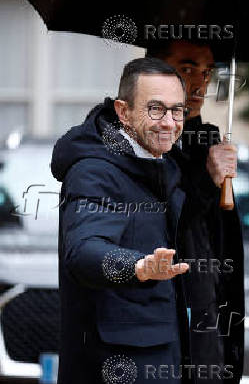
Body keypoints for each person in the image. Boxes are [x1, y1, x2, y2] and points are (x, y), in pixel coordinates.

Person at [51, 57, 235, 384]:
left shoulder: (159, 163)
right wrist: (137, 267)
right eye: (156, 109)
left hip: (165, 357)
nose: (169, 122)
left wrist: (209, 179)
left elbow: (171, 225)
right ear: (123, 112)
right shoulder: (94, 171)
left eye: (177, 110)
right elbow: (83, 250)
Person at [147, 40, 245, 384]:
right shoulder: (142, 148)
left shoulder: (208, 142)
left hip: (210, 318)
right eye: (187, 69)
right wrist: (206, 179)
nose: (200, 83)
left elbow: (219, 242)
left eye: (207, 72)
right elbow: (163, 225)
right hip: (165, 327)